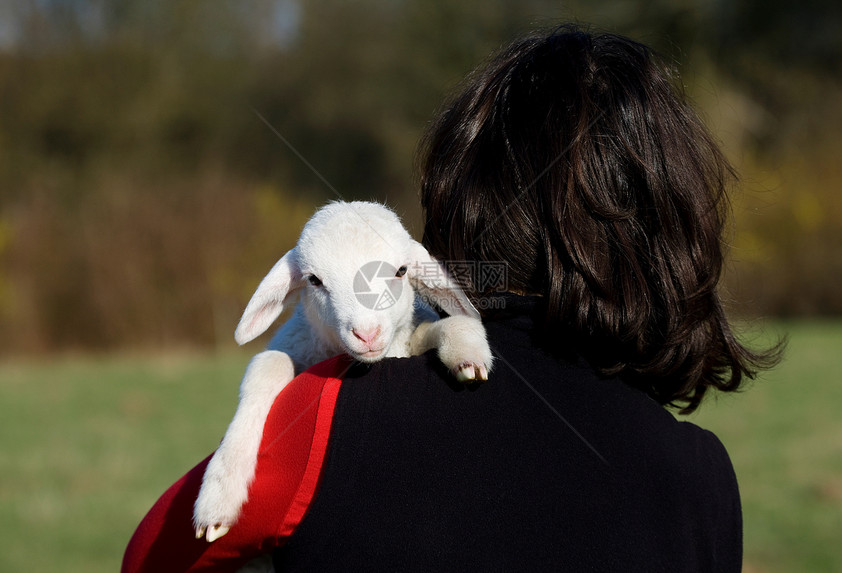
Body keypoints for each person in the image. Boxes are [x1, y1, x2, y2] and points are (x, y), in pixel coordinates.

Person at [122, 24, 781, 572]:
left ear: (457, 211)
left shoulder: (320, 423)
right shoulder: (702, 483)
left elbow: (150, 558)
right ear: (673, 239)